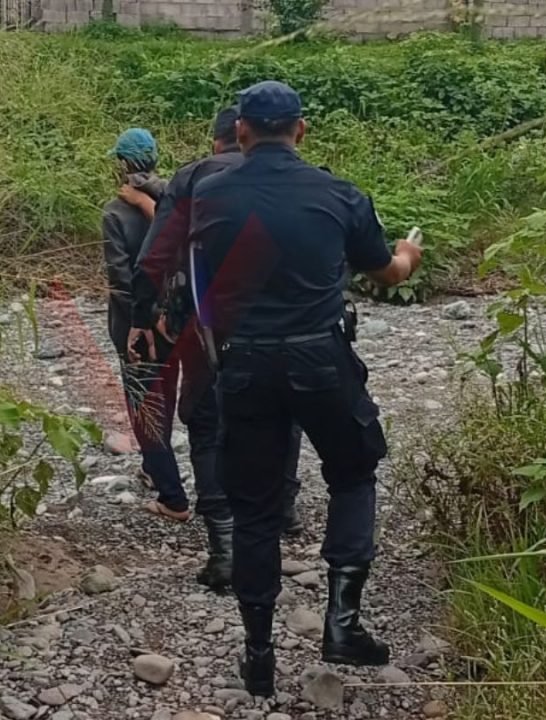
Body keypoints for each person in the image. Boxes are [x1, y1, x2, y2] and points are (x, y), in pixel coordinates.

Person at [189, 81, 423, 695]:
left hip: (244, 368)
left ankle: (258, 653)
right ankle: (342, 623)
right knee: (353, 472)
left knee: (256, 508)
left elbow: (206, 289)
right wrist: (407, 252)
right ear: (302, 129)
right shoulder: (339, 194)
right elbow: (387, 272)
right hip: (321, 360)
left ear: (239, 131)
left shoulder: (208, 198)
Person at [121, 107, 307, 593]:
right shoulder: (303, 180)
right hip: (283, 327)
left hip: (207, 328)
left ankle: (224, 550)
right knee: (281, 416)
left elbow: (154, 258)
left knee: (205, 424)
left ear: (225, 136)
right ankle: (282, 510)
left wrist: (145, 317)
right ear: (296, 132)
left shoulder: (195, 179)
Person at [102, 128, 190, 522]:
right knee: (167, 391)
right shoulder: (179, 198)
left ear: (122, 164)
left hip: (136, 322)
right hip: (180, 320)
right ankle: (155, 468)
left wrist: (142, 317)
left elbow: (121, 279)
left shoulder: (114, 213)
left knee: (144, 404)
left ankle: (172, 496)